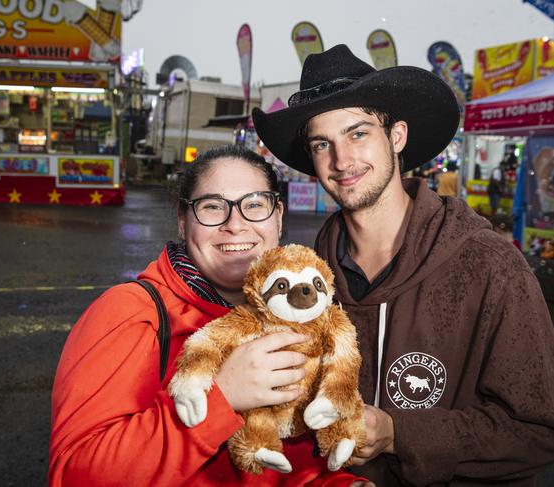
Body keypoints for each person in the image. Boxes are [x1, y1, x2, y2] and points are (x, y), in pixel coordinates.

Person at [253, 44, 554, 486]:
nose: (342, 161)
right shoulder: (311, 281)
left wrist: (400, 434)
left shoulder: (488, 265)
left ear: (396, 136)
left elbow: (539, 431)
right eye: (323, 143)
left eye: (358, 134)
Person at [48, 145, 370, 486]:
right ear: (183, 221)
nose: (235, 225)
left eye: (254, 205)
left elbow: (295, 467)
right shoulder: (130, 313)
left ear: (278, 216)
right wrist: (222, 397)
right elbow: (75, 475)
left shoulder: (304, 316)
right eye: (213, 207)